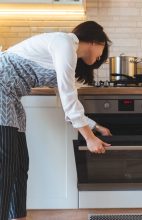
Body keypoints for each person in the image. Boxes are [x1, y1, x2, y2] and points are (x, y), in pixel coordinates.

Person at [0, 21, 112, 220]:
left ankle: (17, 217)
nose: (101, 56)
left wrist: (94, 127)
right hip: (2, 91)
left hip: (11, 97)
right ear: (95, 42)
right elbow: (69, 98)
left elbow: (65, 103)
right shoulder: (65, 44)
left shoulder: (67, 52)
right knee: (6, 165)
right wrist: (89, 138)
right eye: (103, 48)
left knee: (19, 165)